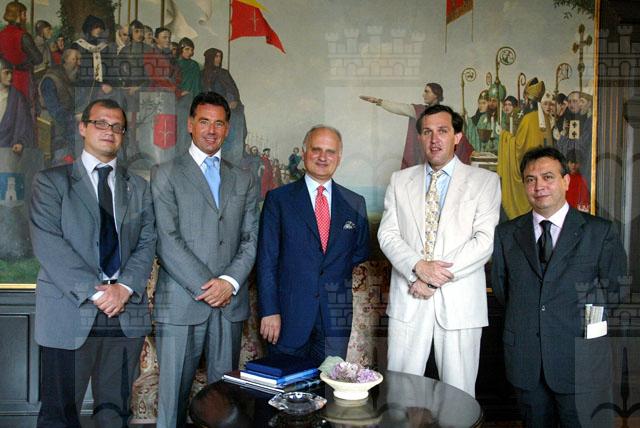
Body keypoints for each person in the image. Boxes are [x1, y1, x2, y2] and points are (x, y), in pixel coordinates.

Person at [29, 98, 156, 427]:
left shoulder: (139, 188)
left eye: (117, 127)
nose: (109, 131)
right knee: (59, 415)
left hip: (125, 314)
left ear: (123, 135)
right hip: (68, 311)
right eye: (101, 123)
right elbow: (48, 244)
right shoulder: (51, 182)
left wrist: (124, 288)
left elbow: (147, 243)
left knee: (115, 413)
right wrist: (97, 292)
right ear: (83, 127)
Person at [492, 146, 627, 427]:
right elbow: (505, 291)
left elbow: (614, 291)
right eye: (530, 179)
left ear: (566, 181)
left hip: (580, 361)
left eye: (548, 177)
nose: (539, 186)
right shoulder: (506, 234)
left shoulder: (599, 232)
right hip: (526, 361)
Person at [151, 91, 259, 428]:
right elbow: (166, 239)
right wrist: (209, 287)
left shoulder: (244, 178)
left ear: (227, 128)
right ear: (190, 125)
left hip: (229, 304)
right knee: (172, 403)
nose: (211, 130)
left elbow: (250, 239)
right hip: (181, 302)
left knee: (224, 407)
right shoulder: (165, 173)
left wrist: (228, 283)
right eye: (204, 122)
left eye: (219, 123)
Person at [377, 104, 501, 397]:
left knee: (459, 396)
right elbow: (388, 234)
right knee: (400, 394)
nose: (435, 139)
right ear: (420, 138)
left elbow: (483, 242)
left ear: (457, 136)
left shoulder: (484, 182)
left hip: (459, 304)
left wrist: (432, 279)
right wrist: (418, 268)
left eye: (443, 131)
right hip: (410, 297)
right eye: (427, 132)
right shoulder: (400, 181)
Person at [257, 125, 370, 366]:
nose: (323, 157)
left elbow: (359, 252)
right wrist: (269, 310)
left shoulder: (355, 203)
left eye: (330, 151)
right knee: (286, 387)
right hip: (287, 317)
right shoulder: (279, 200)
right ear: (304, 152)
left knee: (331, 385)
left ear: (339, 157)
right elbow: (266, 260)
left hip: (335, 318)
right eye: (316, 149)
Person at [360, 82, 474, 167]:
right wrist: (378, 101)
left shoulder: (446, 115)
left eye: (427, 91)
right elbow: (399, 108)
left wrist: (470, 150)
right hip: (424, 157)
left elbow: (458, 136)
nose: (423, 95)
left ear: (436, 94)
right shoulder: (419, 111)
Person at [498, 78, 553, 220]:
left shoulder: (528, 119)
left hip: (529, 170)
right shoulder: (544, 118)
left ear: (528, 100)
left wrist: (504, 136)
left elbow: (518, 147)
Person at [202, 47, 247, 166]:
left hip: (231, 109)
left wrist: (232, 100)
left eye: (220, 56)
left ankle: (232, 165)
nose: (218, 59)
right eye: (216, 56)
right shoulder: (203, 74)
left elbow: (232, 89)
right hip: (214, 110)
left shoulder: (224, 73)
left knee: (234, 137)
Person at [38, 48, 81, 164]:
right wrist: (75, 117)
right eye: (75, 59)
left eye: (79, 59)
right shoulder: (50, 80)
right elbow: (55, 111)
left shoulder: (69, 77)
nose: (79, 63)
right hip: (53, 126)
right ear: (65, 60)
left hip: (67, 125)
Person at [0, 57, 34, 155]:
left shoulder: (18, 98)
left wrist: (20, 142)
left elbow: (24, 124)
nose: (10, 77)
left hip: (8, 152)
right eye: (6, 73)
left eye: (11, 73)